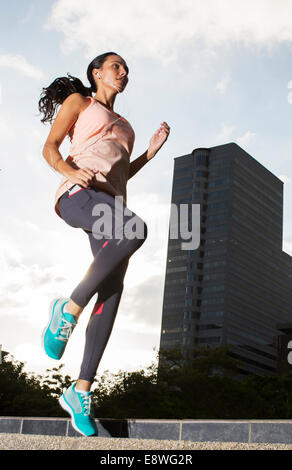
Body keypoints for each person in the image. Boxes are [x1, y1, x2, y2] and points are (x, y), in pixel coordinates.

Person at [38, 52, 170, 437]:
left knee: (112, 291)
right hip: (78, 194)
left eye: (126, 69)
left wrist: (149, 152)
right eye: (116, 66)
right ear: (97, 73)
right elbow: (51, 147)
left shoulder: (126, 126)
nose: (123, 72)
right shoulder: (80, 102)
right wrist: (70, 170)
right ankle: (69, 307)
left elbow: (122, 171)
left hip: (111, 205)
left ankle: (80, 391)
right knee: (136, 231)